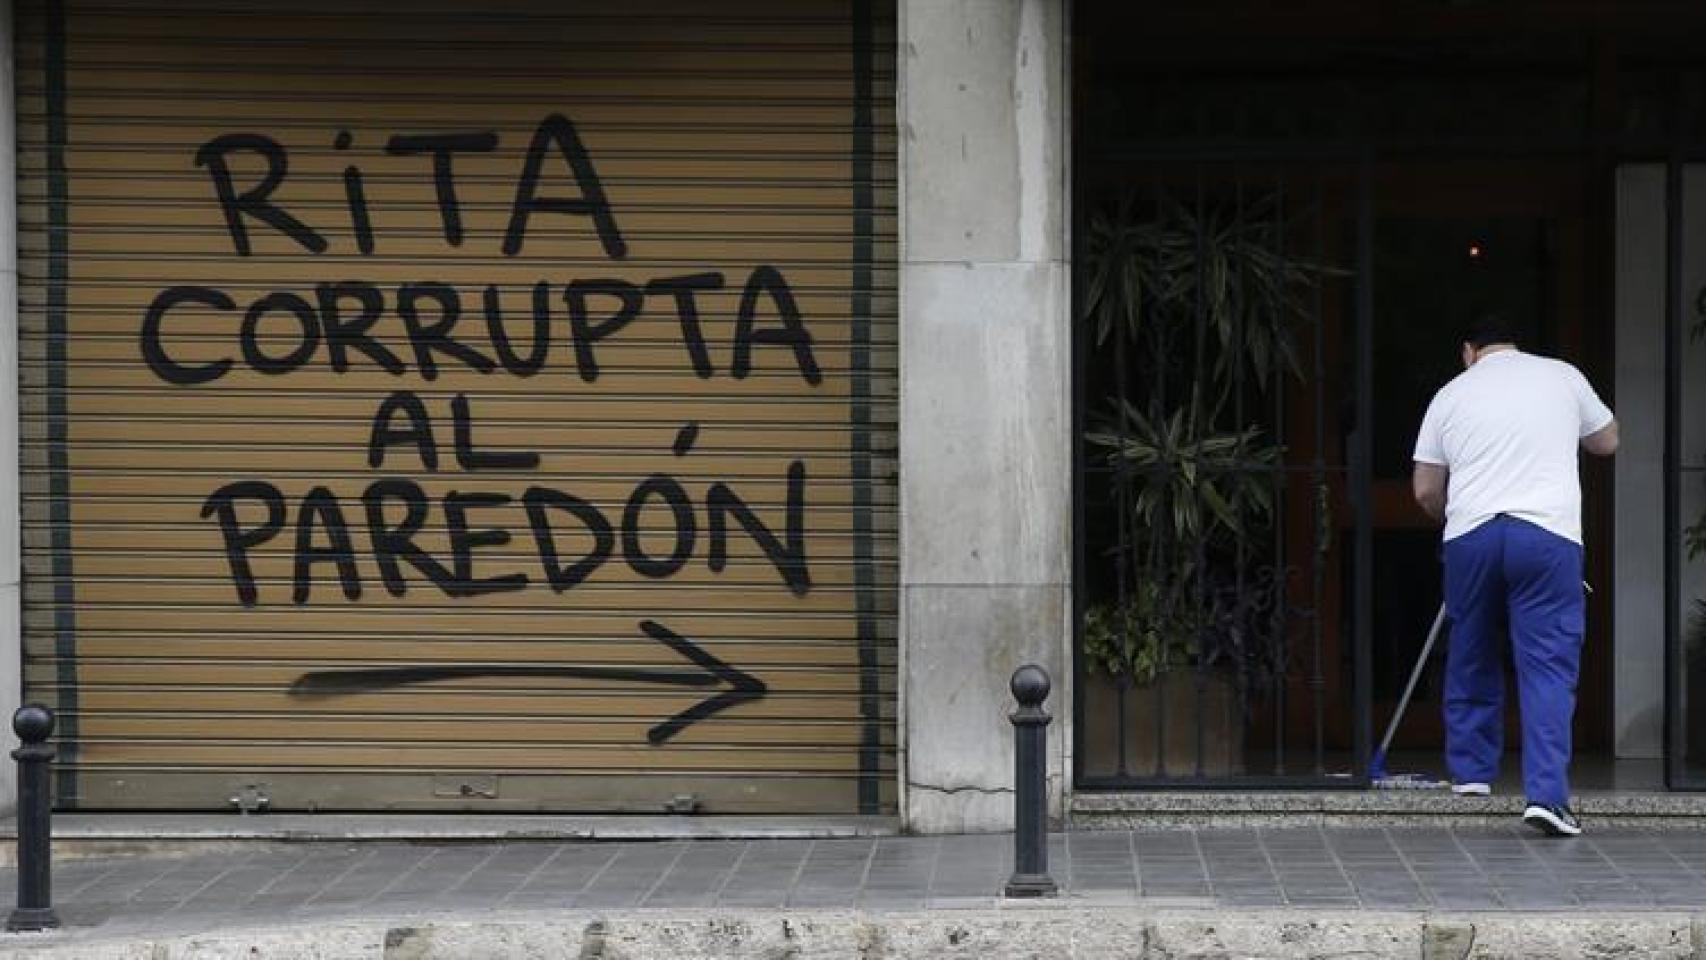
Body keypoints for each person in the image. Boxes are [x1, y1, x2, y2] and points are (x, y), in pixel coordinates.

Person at [1411, 315, 1618, 837]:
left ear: (1469, 351)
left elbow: (1425, 488)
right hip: (1547, 536)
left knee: (1471, 647)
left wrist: (1452, 517)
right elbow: (1607, 442)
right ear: (1514, 345)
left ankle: (1470, 776)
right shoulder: (1563, 376)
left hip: (1472, 536)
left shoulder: (1450, 394)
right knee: (1547, 664)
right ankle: (1547, 797)